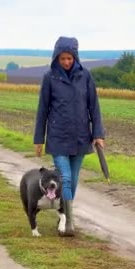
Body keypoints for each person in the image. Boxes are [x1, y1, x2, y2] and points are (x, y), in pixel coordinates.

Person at [33, 36, 105, 237]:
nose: (66, 62)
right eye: (62, 58)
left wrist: (98, 134)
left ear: (75, 58)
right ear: (56, 58)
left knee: (72, 180)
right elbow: (42, 110)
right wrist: (39, 139)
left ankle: (63, 215)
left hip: (81, 136)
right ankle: (69, 222)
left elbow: (94, 107)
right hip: (57, 137)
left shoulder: (86, 77)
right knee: (64, 177)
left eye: (69, 58)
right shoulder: (49, 78)